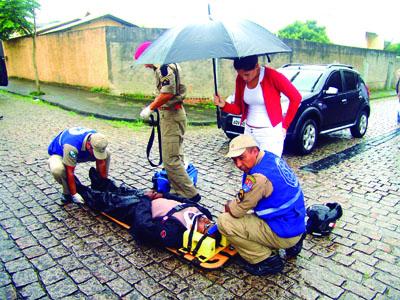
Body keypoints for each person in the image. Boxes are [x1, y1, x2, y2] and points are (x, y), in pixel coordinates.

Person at [217, 134, 306, 276]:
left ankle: (266, 260)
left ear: (254, 151)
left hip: (284, 231)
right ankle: (294, 244)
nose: (238, 164)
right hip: (296, 222)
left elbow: (237, 211)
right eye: (234, 160)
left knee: (224, 222)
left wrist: (230, 205)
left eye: (241, 158)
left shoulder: (258, 178)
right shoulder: (270, 157)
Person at [75, 167, 214, 248]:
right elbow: (184, 200)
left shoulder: (176, 232)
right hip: (151, 199)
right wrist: (163, 195)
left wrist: (146, 200)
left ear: (200, 236)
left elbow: (144, 226)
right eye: (211, 224)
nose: (207, 222)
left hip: (139, 208)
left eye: (207, 227)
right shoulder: (205, 213)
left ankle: (83, 191)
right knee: (124, 190)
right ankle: (102, 184)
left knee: (111, 201)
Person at [134, 41, 200, 202]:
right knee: (174, 155)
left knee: (170, 160)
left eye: (144, 61)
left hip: (172, 115)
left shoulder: (165, 68)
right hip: (169, 114)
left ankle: (190, 194)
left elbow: (167, 94)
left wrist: (150, 108)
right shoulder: (165, 65)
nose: (145, 66)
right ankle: (176, 189)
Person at [214, 55, 302, 157]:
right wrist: (224, 105)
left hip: (270, 134)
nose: (244, 78)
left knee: (268, 169)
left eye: (247, 74)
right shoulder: (240, 79)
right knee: (249, 170)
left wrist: (285, 126)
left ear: (256, 66)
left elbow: (296, 98)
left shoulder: (272, 76)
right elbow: (239, 109)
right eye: (240, 74)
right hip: (249, 133)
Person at [47, 126, 110, 204]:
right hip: (60, 153)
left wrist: (103, 185)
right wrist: (74, 194)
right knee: (58, 170)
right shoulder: (71, 146)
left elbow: (101, 162)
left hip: (81, 151)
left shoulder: (98, 138)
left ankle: (99, 186)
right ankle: (67, 193)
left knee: (107, 154)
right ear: (88, 145)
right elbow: (70, 171)